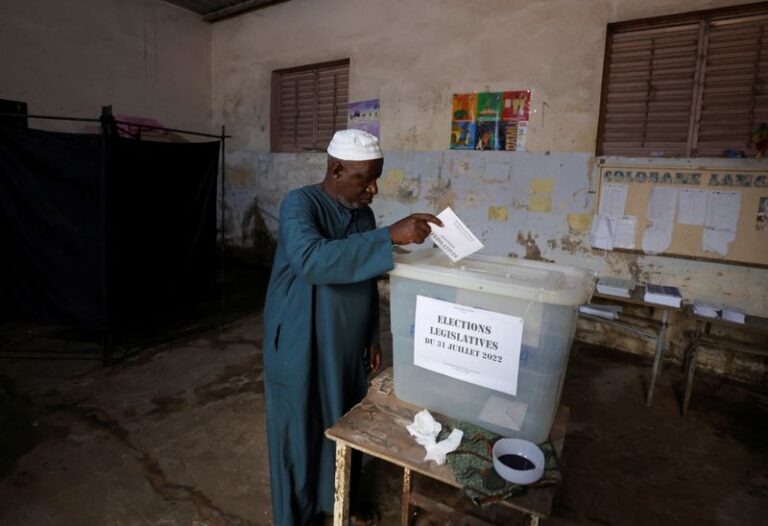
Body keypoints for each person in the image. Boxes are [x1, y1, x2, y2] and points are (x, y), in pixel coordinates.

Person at [263, 129, 441, 525]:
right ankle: (299, 514)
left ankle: (339, 500)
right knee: (299, 425)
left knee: (344, 418)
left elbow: (365, 276)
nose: (373, 189)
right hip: (299, 337)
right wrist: (390, 236)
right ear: (336, 169)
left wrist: (371, 333)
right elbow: (310, 259)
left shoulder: (363, 213)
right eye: (365, 178)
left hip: (343, 340)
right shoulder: (300, 204)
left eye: (377, 177)